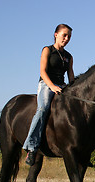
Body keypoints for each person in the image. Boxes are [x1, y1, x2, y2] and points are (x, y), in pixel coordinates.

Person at [23, 24, 75, 166]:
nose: (67, 38)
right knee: (43, 109)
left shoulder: (68, 56)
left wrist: (73, 89)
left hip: (62, 86)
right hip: (47, 85)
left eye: (69, 36)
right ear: (56, 34)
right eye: (64, 35)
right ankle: (32, 147)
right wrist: (52, 86)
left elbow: (71, 76)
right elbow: (42, 71)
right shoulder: (47, 50)